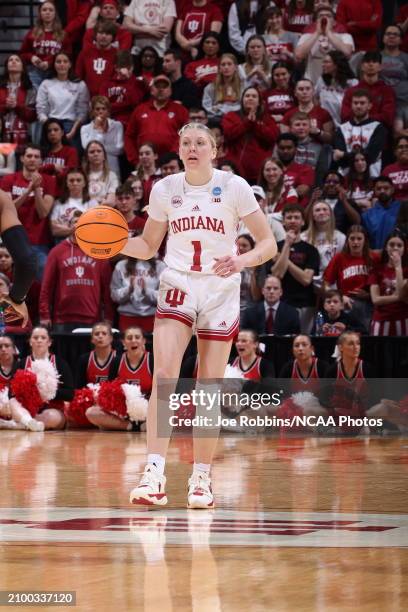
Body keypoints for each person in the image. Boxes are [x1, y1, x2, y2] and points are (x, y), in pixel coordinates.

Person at [122, 122, 276, 508]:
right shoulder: (165, 189)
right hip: (178, 281)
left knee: (208, 388)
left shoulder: (235, 186)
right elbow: (147, 245)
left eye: (200, 143)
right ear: (178, 149)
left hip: (221, 287)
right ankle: (153, 473)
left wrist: (239, 260)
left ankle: (201, 478)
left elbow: (269, 243)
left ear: (214, 149)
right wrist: (112, 245)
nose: (192, 148)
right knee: (164, 377)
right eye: (186, 142)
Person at [39, 232, 114, 332]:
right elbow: (46, 286)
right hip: (62, 318)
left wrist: (108, 316)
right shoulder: (56, 252)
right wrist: (44, 314)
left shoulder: (99, 252)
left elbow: (107, 288)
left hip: (92, 318)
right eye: (75, 222)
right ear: (70, 225)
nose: (78, 226)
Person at [0, 144, 55, 280]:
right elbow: (6, 210)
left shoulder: (49, 181)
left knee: (41, 278)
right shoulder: (8, 180)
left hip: (39, 243)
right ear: (22, 159)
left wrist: (36, 189)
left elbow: (43, 213)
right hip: (11, 241)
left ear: (41, 161)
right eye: (29, 156)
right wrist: (28, 190)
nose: (32, 159)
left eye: (36, 156)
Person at [86, 326, 153, 430]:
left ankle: (145, 424)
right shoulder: (117, 361)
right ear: (123, 342)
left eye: (137, 337)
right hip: (124, 411)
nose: (133, 340)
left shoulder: (152, 360)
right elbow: (108, 390)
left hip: (149, 409)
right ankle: (130, 426)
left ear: (143, 341)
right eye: (129, 338)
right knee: (91, 412)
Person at [271, 204, 320, 333]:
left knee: (303, 342)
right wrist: (287, 244)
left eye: (296, 217)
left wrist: (283, 259)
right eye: (289, 217)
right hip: (281, 304)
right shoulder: (275, 247)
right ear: (283, 222)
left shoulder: (311, 250)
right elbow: (277, 275)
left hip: (305, 305)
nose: (293, 220)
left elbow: (305, 279)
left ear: (303, 222)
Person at [16, 326, 74, 430]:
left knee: (52, 417)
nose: (39, 340)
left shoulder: (60, 363)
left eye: (43, 338)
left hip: (52, 409)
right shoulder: (22, 364)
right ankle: (29, 423)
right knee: (13, 405)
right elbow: (13, 392)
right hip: (27, 409)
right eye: (35, 337)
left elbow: (69, 394)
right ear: (30, 342)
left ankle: (18, 424)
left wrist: (47, 392)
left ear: (49, 342)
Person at [125, 74, 189, 166]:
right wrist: (135, 159)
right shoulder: (140, 109)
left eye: (165, 86)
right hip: (145, 163)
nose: (161, 89)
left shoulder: (180, 110)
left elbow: (186, 135)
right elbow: (129, 136)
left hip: (171, 164)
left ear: (170, 90)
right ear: (151, 90)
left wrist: (173, 156)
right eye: (157, 86)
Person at [323, 224, 376, 331]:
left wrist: (369, 295)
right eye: (352, 238)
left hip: (369, 304)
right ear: (347, 240)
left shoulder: (374, 257)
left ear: (365, 240)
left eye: (359, 238)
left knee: (366, 336)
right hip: (347, 304)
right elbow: (326, 284)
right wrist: (340, 297)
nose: (355, 242)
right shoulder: (339, 258)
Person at [222, 86, 279, 184]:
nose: (250, 98)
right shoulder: (231, 116)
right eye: (247, 96)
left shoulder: (267, 119)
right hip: (235, 170)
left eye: (254, 96)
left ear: (260, 102)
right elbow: (228, 134)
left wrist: (256, 125)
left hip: (259, 172)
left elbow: (273, 137)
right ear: (242, 100)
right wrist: (247, 122)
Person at [35, 52, 89, 145]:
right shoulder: (46, 84)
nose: (62, 64)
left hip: (71, 126)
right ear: (54, 65)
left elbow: (83, 111)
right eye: (58, 62)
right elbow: (41, 109)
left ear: (70, 64)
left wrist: (74, 130)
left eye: (65, 61)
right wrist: (50, 126)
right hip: (51, 123)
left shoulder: (80, 84)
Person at [333, 89, 387, 178]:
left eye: (362, 103)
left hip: (371, 177)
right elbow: (341, 161)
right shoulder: (341, 129)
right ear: (351, 105)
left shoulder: (378, 128)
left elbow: (371, 156)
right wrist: (343, 157)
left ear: (369, 106)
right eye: (355, 103)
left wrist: (344, 154)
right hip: (346, 177)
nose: (358, 106)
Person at [295, 6, 354, 84]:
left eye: (328, 16)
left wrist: (328, 32)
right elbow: (299, 55)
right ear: (316, 22)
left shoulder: (345, 36)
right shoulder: (307, 36)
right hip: (312, 81)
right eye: (321, 16)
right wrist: (317, 33)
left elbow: (347, 53)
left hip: (336, 82)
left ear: (334, 22)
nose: (324, 18)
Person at [20, 1, 71, 90]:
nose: (47, 12)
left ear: (55, 14)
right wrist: (32, 57)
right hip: (34, 72)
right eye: (44, 10)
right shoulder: (32, 33)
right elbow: (22, 53)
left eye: (51, 10)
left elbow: (68, 54)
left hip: (54, 72)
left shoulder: (62, 35)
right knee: (34, 100)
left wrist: (49, 62)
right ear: (40, 13)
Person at [340, 51, 396, 131]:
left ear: (380, 67)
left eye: (374, 62)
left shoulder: (387, 91)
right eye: (367, 61)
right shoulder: (351, 91)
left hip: (379, 132)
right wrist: (370, 118)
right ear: (362, 66)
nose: (371, 64)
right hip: (354, 132)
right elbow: (345, 117)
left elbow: (388, 118)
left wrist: (361, 117)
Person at [110, 254, 165, 333]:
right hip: (127, 317)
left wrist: (146, 291)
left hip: (152, 317)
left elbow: (165, 297)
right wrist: (129, 290)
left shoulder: (160, 266)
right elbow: (114, 295)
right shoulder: (121, 265)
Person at [369, 230, 408, 336]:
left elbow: (402, 293)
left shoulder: (406, 270)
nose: (395, 248)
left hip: (403, 320)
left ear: (404, 249)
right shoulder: (377, 270)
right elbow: (375, 299)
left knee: (402, 352)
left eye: (399, 245)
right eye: (391, 244)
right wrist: (398, 297)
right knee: (379, 352)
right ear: (386, 247)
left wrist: (398, 267)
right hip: (380, 321)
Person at [301, 200, 346, 290]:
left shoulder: (341, 237)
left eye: (325, 209)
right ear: (312, 215)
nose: (321, 212)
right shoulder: (303, 237)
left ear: (330, 214)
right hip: (309, 283)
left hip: (332, 284)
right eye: (317, 210)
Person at [0, 334, 41, 431]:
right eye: (0, 347)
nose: (3, 349)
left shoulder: (23, 365)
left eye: (7, 346)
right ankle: (12, 425)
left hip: (19, 406)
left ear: (14, 349)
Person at [0, 55, 36, 158]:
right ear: (6, 66)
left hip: (25, 136)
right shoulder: (0, 88)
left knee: (21, 169)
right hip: (3, 136)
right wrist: (6, 106)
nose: (13, 62)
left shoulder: (30, 89)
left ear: (23, 67)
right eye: (10, 60)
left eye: (17, 60)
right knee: (5, 168)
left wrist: (17, 106)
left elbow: (32, 115)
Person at [100, 50, 147, 127]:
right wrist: (125, 105)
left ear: (132, 67)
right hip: (110, 122)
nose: (125, 71)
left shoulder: (138, 83)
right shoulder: (106, 84)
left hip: (130, 123)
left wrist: (128, 79)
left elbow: (135, 104)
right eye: (121, 66)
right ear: (116, 67)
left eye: (128, 67)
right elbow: (104, 106)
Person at [80, 95, 124, 178]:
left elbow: (119, 149)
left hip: (113, 167)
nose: (100, 111)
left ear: (108, 111)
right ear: (92, 111)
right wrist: (96, 129)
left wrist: (98, 149)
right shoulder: (85, 128)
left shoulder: (117, 126)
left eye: (104, 108)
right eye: (97, 109)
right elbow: (87, 148)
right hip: (93, 169)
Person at [281, 78, 334, 145]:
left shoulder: (324, 113)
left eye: (308, 89)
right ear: (295, 93)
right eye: (301, 89)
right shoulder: (288, 114)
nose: (304, 92)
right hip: (296, 152)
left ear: (313, 92)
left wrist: (318, 132)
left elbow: (330, 139)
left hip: (318, 152)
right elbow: (284, 140)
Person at [75, 20, 118, 98]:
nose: (104, 36)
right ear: (95, 35)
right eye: (101, 33)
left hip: (108, 98)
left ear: (113, 37)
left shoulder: (117, 55)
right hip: (86, 97)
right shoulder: (85, 52)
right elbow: (78, 75)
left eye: (108, 34)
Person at [315, 50, 357, 127]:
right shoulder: (321, 80)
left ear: (337, 64)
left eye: (327, 62)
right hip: (326, 125)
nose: (322, 65)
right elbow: (315, 98)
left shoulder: (352, 83)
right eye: (323, 62)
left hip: (347, 124)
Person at [50, 168, 92, 243]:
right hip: (63, 244)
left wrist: (65, 228)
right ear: (66, 183)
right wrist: (74, 229)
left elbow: (94, 228)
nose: (75, 183)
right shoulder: (58, 204)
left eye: (78, 180)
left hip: (86, 244)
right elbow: (54, 230)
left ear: (84, 183)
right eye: (71, 180)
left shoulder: (92, 203)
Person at [40, 119, 79, 194]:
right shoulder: (41, 152)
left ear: (62, 132)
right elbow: (36, 171)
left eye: (56, 130)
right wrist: (53, 167)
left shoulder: (71, 151)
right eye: (49, 131)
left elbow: (69, 173)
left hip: (62, 192)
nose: (52, 133)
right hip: (43, 191)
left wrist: (46, 175)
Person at [361, 176, 401, 249]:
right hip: (376, 256)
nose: (382, 191)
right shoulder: (366, 215)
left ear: (392, 189)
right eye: (379, 189)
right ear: (374, 191)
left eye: (386, 188)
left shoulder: (402, 209)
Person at [275, 134, 315, 205]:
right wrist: (293, 190)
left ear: (296, 149)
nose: (285, 151)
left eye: (289, 148)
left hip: (298, 211)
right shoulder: (271, 170)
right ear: (277, 149)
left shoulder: (306, 170)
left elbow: (301, 192)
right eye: (282, 148)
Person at [75, 321, 117, 388]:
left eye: (104, 333)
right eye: (97, 334)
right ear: (92, 339)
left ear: (111, 338)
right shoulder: (84, 359)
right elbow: (79, 387)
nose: (100, 336)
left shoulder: (118, 358)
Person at [202, 54, 244, 121]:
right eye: (223, 65)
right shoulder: (210, 87)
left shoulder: (243, 86)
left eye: (229, 64)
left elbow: (243, 106)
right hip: (216, 119)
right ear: (219, 68)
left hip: (237, 118)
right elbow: (207, 106)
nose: (226, 67)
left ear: (236, 67)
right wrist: (218, 111)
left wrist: (222, 109)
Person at [380, 24, 408, 112]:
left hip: (404, 103)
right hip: (380, 103)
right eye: (388, 34)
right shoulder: (375, 57)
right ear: (383, 38)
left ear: (401, 40)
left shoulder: (406, 58)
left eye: (395, 34)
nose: (391, 36)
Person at [83, 140, 118, 206]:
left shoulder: (111, 175)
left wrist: (92, 202)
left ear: (104, 156)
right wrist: (100, 201)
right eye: (92, 152)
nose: (96, 154)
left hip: (104, 212)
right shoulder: (81, 175)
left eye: (99, 151)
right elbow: (79, 199)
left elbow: (111, 202)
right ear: (87, 157)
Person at [383, 137, 408, 204]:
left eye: (407, 146)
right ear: (395, 152)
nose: (404, 149)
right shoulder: (387, 170)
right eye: (400, 147)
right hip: (391, 208)